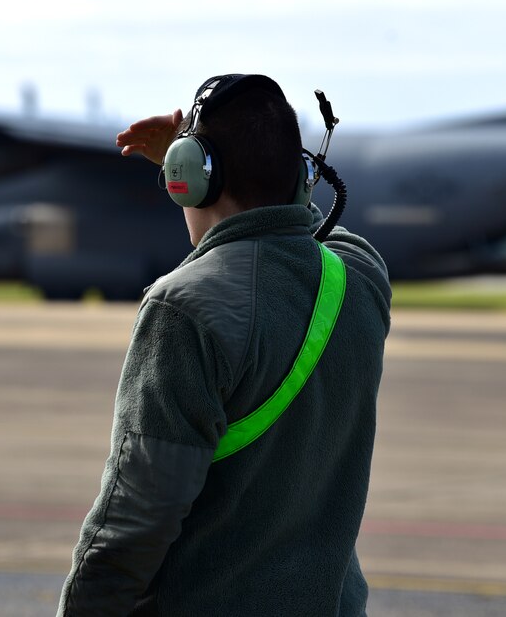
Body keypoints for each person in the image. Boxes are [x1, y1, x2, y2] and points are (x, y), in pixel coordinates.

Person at [57, 74, 391, 616]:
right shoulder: (358, 277)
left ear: (188, 177)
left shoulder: (183, 309)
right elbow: (310, 231)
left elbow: (133, 523)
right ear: (302, 177)